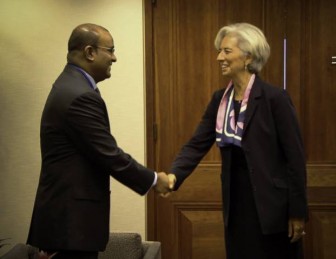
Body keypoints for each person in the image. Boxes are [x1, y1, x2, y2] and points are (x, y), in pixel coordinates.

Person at [27, 23, 170, 259]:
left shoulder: (72, 85)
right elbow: (108, 154)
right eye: (110, 50)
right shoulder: (79, 95)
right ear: (90, 52)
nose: (114, 58)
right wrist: (155, 180)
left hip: (69, 226)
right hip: (69, 228)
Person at [167, 23, 308, 259]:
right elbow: (196, 144)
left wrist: (298, 212)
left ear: (248, 56)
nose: (219, 57)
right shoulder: (219, 100)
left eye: (226, 51)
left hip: (273, 206)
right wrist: (174, 175)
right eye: (219, 51)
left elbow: (295, 159)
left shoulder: (275, 98)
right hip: (237, 205)